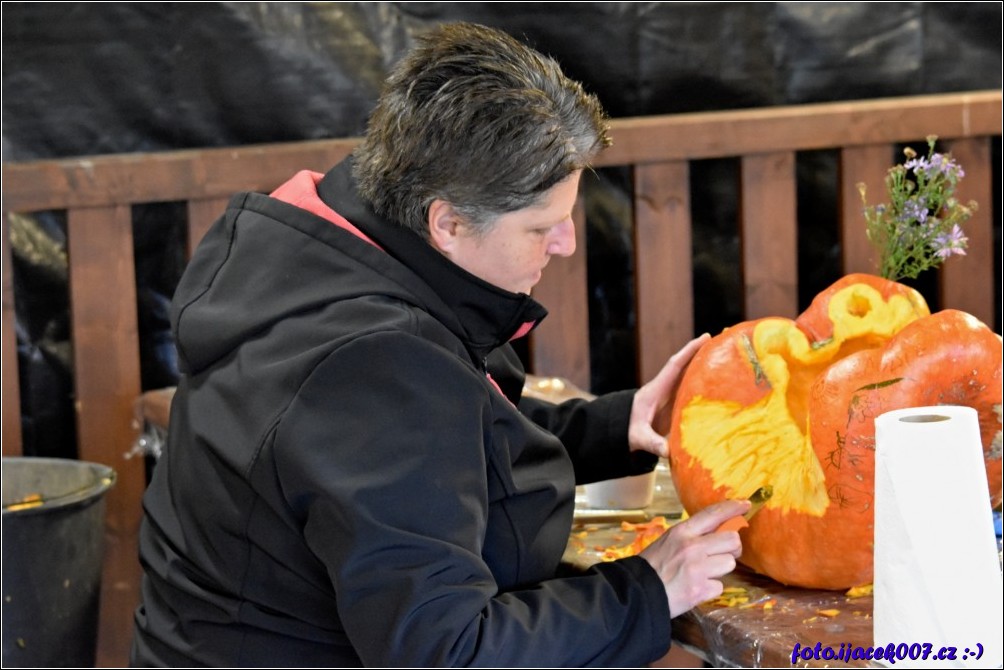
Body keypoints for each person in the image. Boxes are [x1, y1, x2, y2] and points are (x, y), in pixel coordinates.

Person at [130, 21, 747, 668]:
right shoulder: (374, 362)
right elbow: (447, 651)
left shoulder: (323, 250)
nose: (565, 243)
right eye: (543, 226)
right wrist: (647, 589)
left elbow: (436, 443)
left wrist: (615, 426)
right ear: (447, 222)